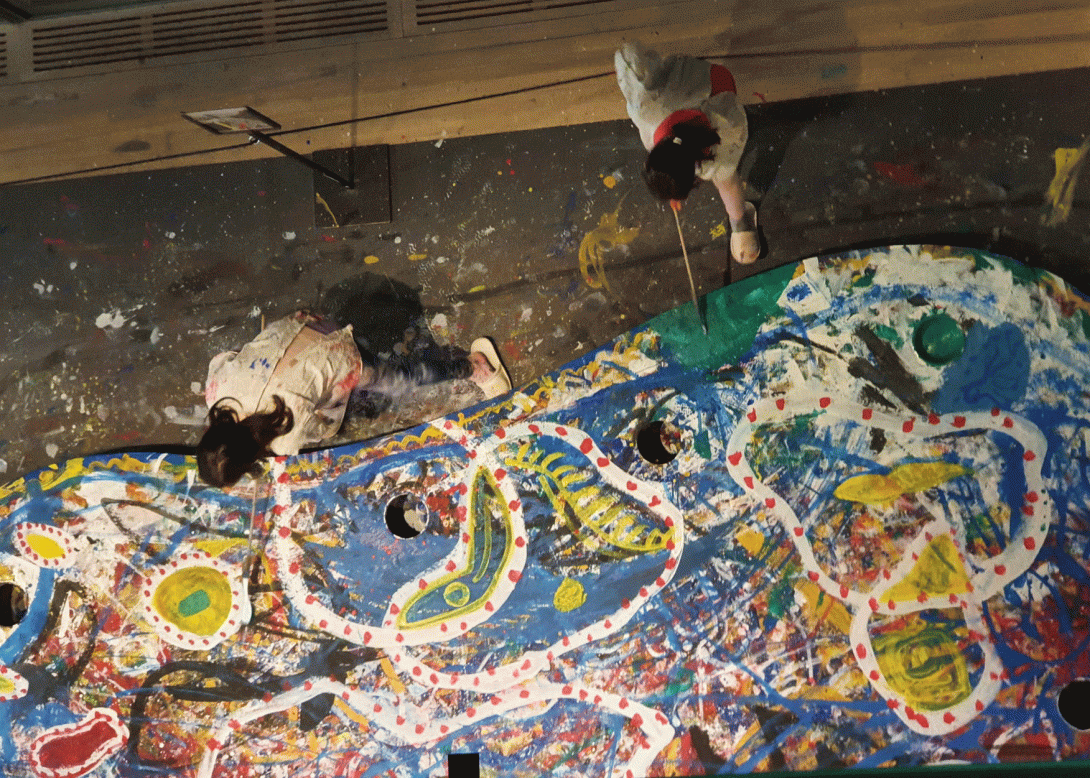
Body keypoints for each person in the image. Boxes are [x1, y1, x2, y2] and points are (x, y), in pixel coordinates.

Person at [197, 311, 511, 487]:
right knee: (324, 400)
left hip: (335, 348)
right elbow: (228, 357)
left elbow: (317, 438)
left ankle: (474, 366)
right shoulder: (216, 395)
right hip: (300, 322)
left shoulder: (285, 436)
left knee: (401, 380)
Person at [614, 41, 760, 264]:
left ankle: (740, 219)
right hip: (681, 75)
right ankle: (739, 219)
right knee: (722, 176)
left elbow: (726, 87)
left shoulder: (725, 135)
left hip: (715, 83)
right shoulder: (644, 109)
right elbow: (626, 54)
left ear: (696, 171)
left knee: (726, 181)